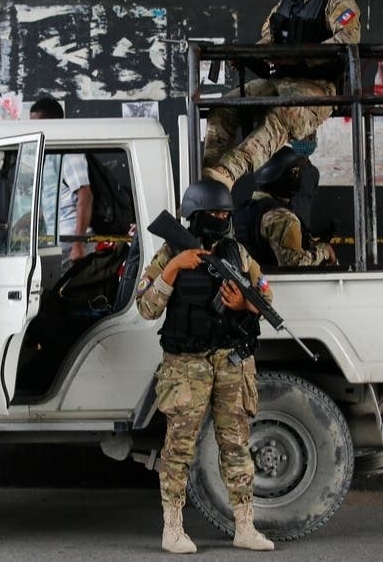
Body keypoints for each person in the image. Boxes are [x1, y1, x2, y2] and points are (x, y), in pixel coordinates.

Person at [135, 179, 275, 554]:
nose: (222, 219)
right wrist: (175, 268)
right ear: (195, 217)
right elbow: (146, 307)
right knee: (178, 448)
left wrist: (243, 306)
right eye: (214, 213)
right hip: (186, 365)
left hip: (231, 359)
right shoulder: (169, 254)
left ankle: (244, 526)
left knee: (236, 444)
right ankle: (173, 528)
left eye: (226, 214)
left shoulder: (238, 254)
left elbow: (265, 296)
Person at [203, 0, 361, 191]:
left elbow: (348, 39)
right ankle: (207, 179)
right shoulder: (290, 1)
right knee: (224, 106)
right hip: (281, 80)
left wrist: (301, 56)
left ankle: (226, 173)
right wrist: (248, 55)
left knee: (282, 116)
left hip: (317, 88)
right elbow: (268, 38)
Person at [237, 146, 336, 268]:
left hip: (251, 283)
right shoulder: (282, 217)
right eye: (296, 172)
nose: (299, 177)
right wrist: (324, 251)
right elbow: (295, 265)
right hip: (275, 285)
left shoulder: (244, 211)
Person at [29, 96, 95, 268]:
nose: (34, 129)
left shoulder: (70, 153)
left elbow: (85, 196)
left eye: (39, 124)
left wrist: (78, 244)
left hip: (72, 241)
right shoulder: (50, 154)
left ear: (54, 123)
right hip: (58, 240)